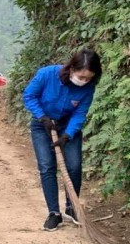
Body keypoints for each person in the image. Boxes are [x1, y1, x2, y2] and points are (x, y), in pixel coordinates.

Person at [23, 49, 102, 231]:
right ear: (72, 68)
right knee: (47, 166)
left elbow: (80, 112)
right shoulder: (47, 74)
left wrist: (67, 135)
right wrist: (42, 117)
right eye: (80, 76)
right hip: (42, 125)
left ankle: (71, 206)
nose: (83, 81)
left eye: (88, 78)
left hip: (68, 127)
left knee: (74, 166)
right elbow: (29, 95)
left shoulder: (88, 88)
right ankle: (54, 213)